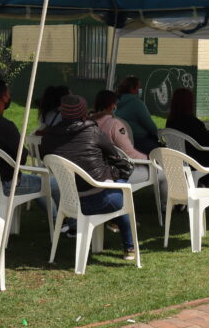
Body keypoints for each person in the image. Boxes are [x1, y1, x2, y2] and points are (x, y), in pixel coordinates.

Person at [40, 94, 137, 260]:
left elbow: (45, 157)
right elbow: (115, 155)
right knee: (122, 187)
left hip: (69, 201)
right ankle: (129, 247)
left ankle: (118, 234)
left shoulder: (49, 136)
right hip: (101, 200)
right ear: (84, 112)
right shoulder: (92, 131)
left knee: (117, 186)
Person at [0, 78, 59, 215]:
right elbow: (21, 159)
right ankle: (68, 222)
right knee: (54, 184)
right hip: (10, 184)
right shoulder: (6, 126)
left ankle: (54, 217)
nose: (10, 96)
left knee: (39, 182)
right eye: (9, 94)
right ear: (4, 98)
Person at [91, 89, 151, 184]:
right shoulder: (115, 124)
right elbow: (129, 153)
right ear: (113, 106)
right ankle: (168, 198)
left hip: (93, 171)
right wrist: (150, 158)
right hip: (115, 173)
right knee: (161, 172)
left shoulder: (87, 122)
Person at [165, 87, 209, 168]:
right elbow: (206, 140)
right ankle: (204, 180)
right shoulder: (192, 122)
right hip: (196, 160)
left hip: (178, 159)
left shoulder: (170, 122)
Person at [115, 76, 160, 155]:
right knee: (162, 153)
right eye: (139, 88)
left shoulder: (117, 102)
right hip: (139, 142)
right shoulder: (136, 103)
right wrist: (158, 134)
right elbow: (151, 126)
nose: (140, 90)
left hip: (121, 142)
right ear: (132, 89)